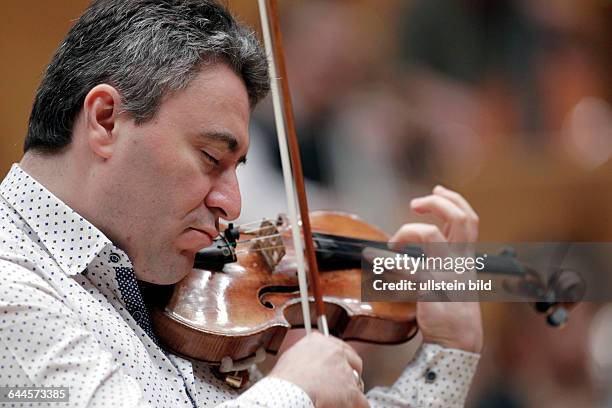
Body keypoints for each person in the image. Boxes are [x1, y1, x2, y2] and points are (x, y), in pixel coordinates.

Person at [0, 1, 482, 407]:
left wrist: (449, 352)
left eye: (238, 168)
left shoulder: (166, 292)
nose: (232, 204)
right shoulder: (13, 291)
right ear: (106, 120)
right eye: (211, 157)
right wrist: (293, 389)